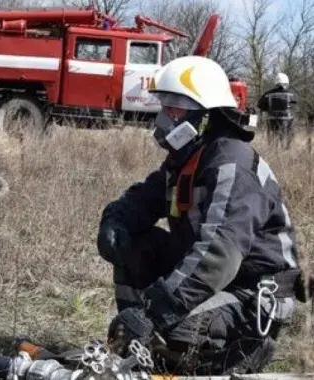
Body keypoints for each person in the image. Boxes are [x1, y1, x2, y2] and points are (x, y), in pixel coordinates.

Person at [97, 56, 306, 376]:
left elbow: (218, 256)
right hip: (214, 281)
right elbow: (144, 198)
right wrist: (115, 220)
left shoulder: (230, 164)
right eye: (164, 106)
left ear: (205, 116)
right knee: (134, 242)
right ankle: (136, 344)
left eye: (175, 109)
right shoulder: (187, 158)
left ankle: (231, 356)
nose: (165, 118)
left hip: (249, 294)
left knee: (171, 331)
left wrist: (153, 314)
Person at [257, 73, 297, 149]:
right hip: (287, 120)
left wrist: (267, 108)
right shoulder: (291, 94)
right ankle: (287, 149)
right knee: (289, 134)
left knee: (272, 137)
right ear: (286, 82)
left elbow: (260, 105)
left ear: (276, 82)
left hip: (272, 120)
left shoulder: (267, 94)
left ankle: (272, 150)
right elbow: (295, 104)